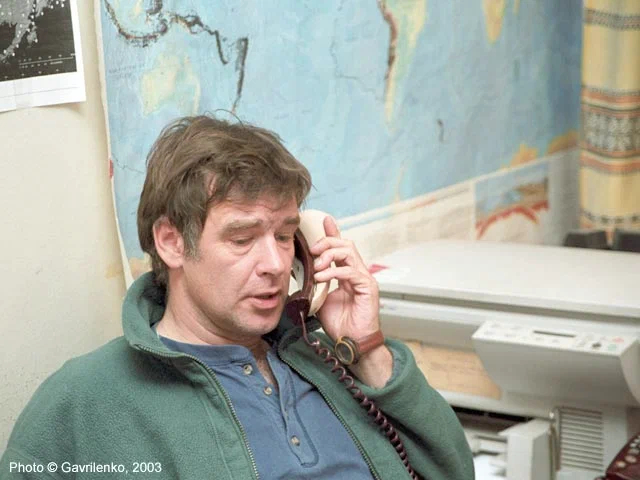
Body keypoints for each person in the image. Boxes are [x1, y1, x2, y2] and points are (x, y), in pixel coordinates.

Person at [0, 116, 474, 479]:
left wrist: (367, 350)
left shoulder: (325, 358)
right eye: (243, 238)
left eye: (285, 236)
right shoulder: (87, 399)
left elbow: (455, 471)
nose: (275, 264)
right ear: (171, 242)